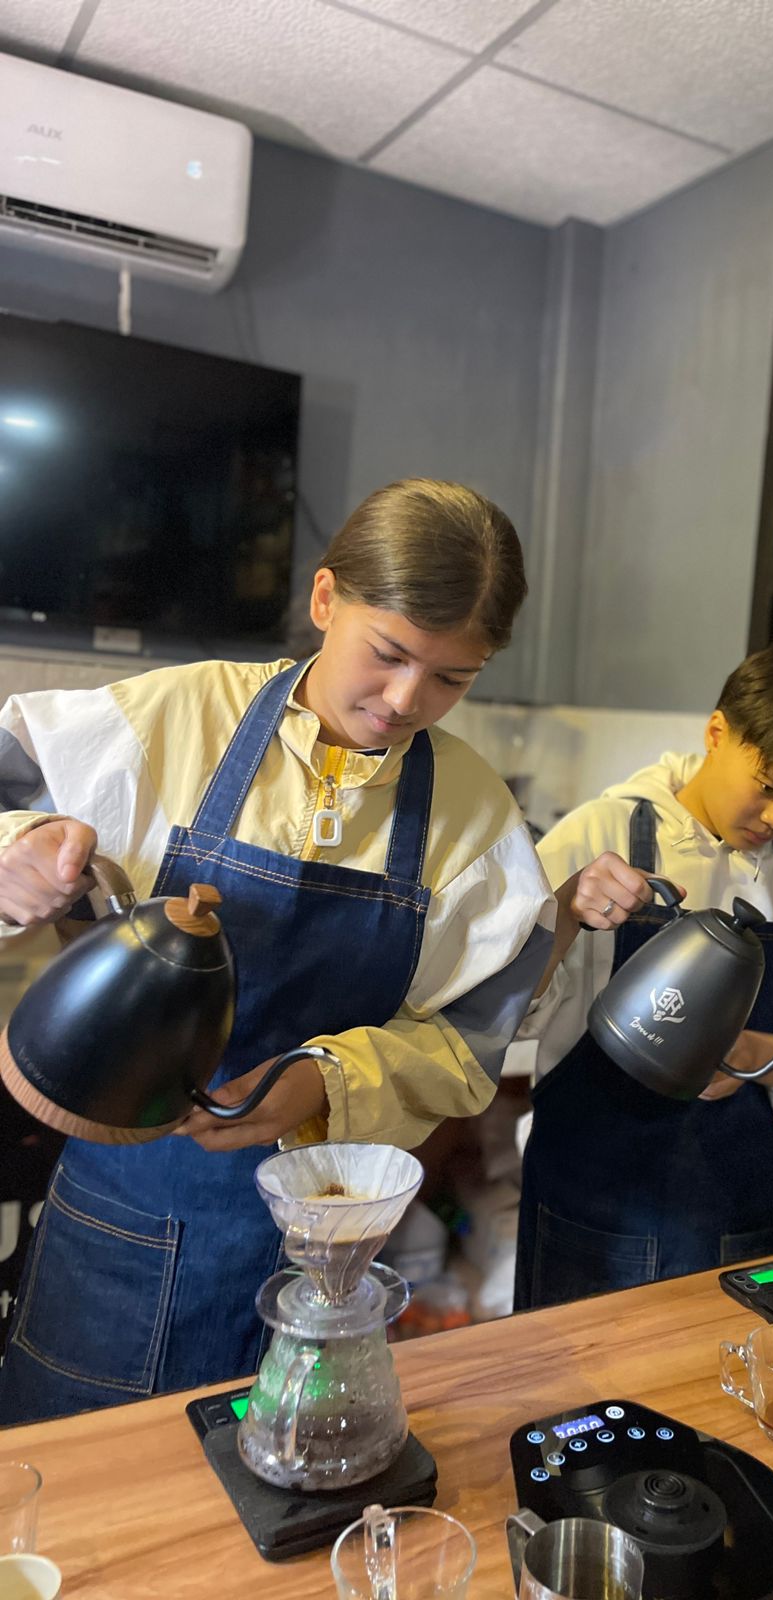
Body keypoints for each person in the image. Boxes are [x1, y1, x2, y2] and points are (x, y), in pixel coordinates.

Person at [0, 478, 557, 1425]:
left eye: (453, 677)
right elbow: (13, 787)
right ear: (326, 599)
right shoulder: (176, 719)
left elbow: (471, 1042)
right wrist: (20, 849)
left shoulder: (477, 822)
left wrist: (327, 1084)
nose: (405, 699)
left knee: (277, 1502)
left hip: (327, 1242)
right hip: (130, 1213)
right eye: (387, 655)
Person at [514, 638, 773, 1310]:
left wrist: (754, 1054)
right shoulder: (602, 835)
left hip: (738, 1230)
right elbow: (500, 1008)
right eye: (768, 788)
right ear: (717, 734)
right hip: (587, 1223)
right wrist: (566, 909)